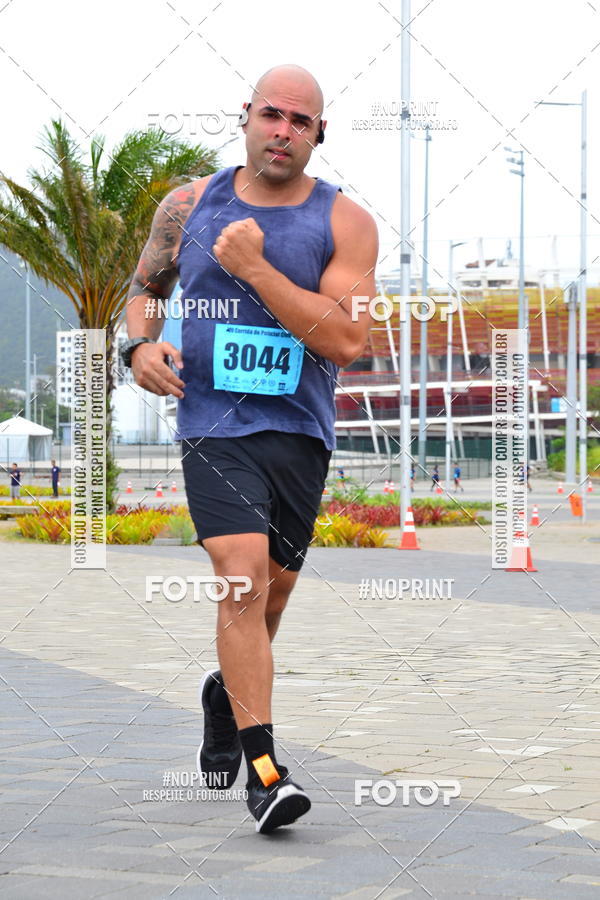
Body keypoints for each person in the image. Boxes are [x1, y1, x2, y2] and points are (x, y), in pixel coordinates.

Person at [124, 64, 378, 834]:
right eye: (272, 114)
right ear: (245, 117)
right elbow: (145, 287)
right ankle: (266, 775)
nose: (283, 130)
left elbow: (346, 338)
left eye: (301, 122)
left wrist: (255, 267)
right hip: (212, 426)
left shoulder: (347, 223)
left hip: (301, 430)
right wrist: (138, 347)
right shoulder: (189, 204)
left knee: (268, 598)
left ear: (318, 135)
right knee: (240, 578)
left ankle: (221, 694)